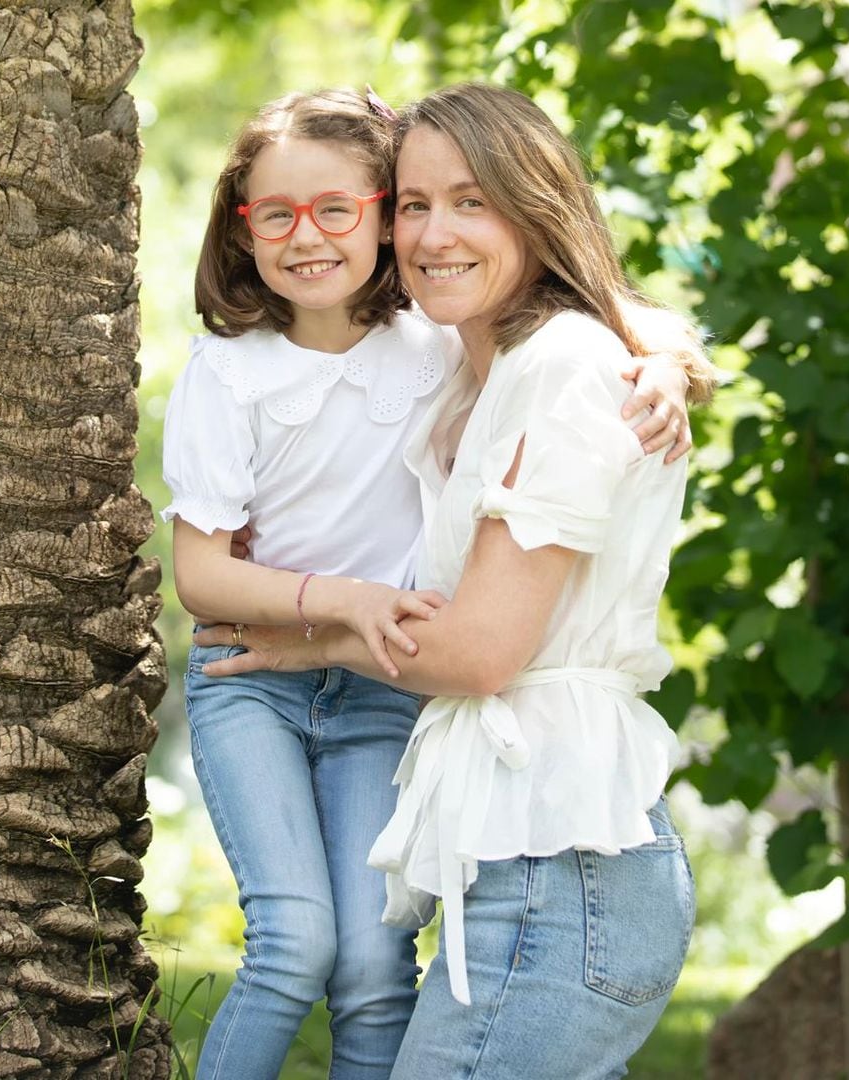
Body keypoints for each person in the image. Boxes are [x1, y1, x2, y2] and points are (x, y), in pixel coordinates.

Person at [164, 87, 705, 1080]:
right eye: (415, 204)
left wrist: (663, 365)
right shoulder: (470, 356)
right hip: (513, 851)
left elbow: (481, 651)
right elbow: (601, 316)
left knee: (368, 964)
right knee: (302, 944)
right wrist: (665, 355)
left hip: (549, 854)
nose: (432, 233)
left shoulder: (537, 366)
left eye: (469, 201)